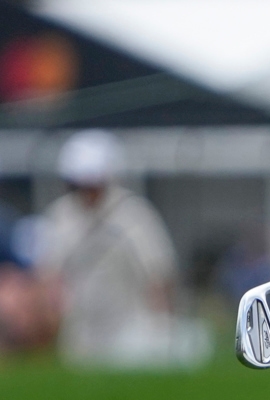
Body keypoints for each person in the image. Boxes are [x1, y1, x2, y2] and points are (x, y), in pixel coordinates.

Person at [35, 129, 179, 366]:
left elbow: (159, 273)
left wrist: (162, 328)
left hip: (131, 329)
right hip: (81, 331)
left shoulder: (133, 215)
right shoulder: (60, 217)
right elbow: (48, 276)